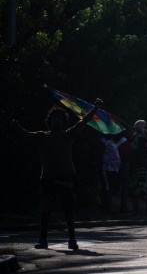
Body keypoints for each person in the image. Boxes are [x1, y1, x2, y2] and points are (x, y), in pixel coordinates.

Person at [11, 98, 103, 250]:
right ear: (49, 121)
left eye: (60, 119)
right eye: (54, 119)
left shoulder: (69, 135)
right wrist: (17, 127)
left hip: (66, 177)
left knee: (68, 211)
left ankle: (72, 239)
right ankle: (43, 239)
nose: (57, 122)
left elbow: (83, 121)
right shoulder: (42, 136)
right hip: (47, 178)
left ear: (64, 122)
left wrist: (95, 109)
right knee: (46, 210)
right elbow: (27, 135)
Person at [130, 120, 147, 214]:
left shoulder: (136, 137)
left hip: (137, 165)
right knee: (141, 188)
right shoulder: (141, 137)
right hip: (141, 165)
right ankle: (141, 209)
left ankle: (137, 209)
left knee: (138, 187)